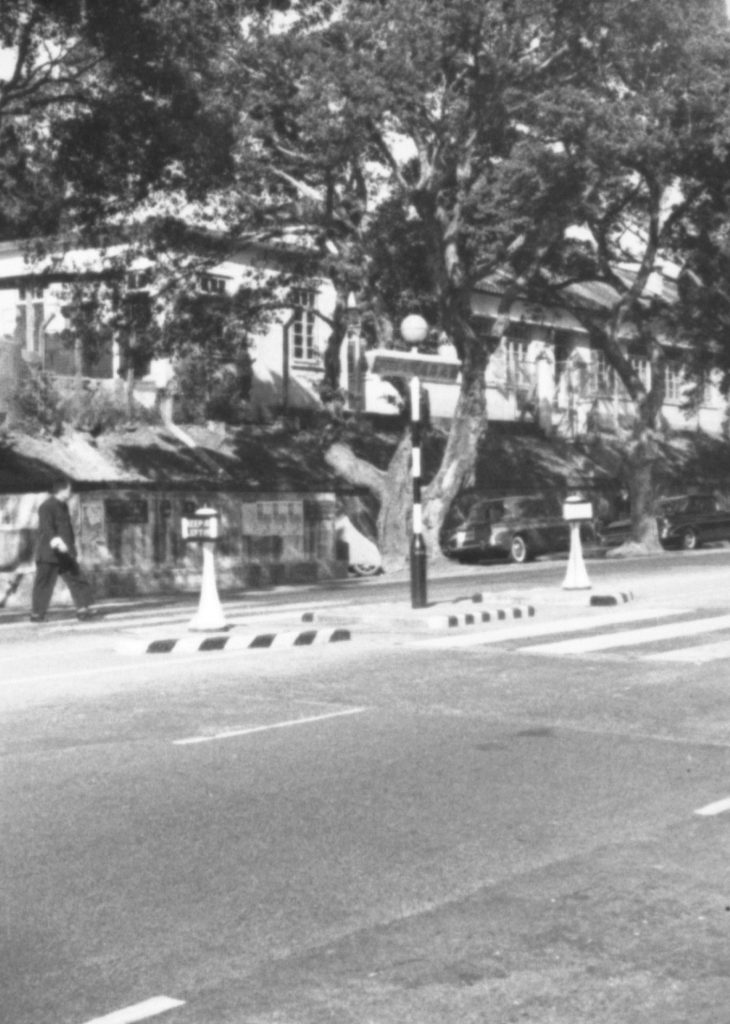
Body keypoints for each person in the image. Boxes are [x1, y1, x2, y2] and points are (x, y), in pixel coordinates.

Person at [30, 477, 96, 622]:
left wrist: (73, 549)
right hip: (49, 553)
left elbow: (67, 530)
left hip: (65, 553)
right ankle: (37, 614)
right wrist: (56, 541)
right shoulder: (46, 506)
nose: (71, 493)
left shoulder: (63, 506)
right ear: (63, 490)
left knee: (77, 579)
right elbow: (46, 527)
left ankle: (83, 609)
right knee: (44, 584)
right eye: (69, 490)